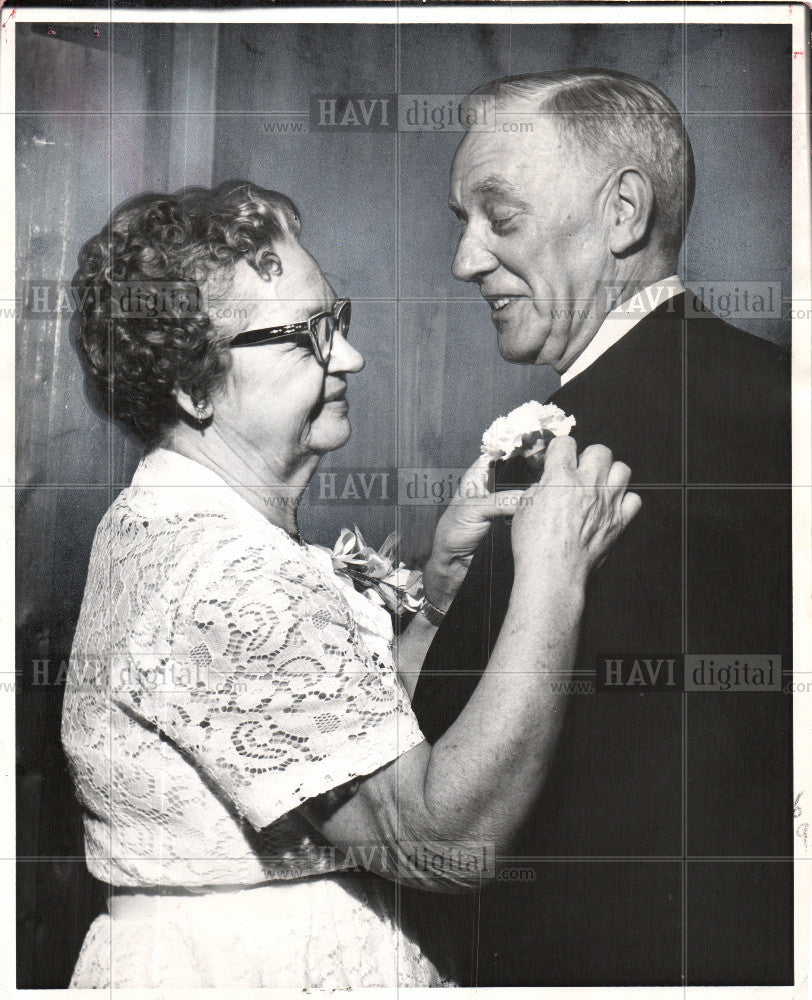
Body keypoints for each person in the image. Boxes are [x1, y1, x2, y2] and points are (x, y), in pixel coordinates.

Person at [61, 180, 639, 989]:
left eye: (336, 321)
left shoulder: (166, 522)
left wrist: (439, 591)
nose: (351, 357)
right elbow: (439, 843)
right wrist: (554, 574)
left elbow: (333, 748)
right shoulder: (230, 576)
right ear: (193, 390)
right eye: (305, 339)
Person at [405, 70, 792, 986]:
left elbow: (450, 790)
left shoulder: (576, 455)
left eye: (499, 218)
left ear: (623, 214)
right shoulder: (780, 395)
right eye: (462, 220)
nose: (464, 260)